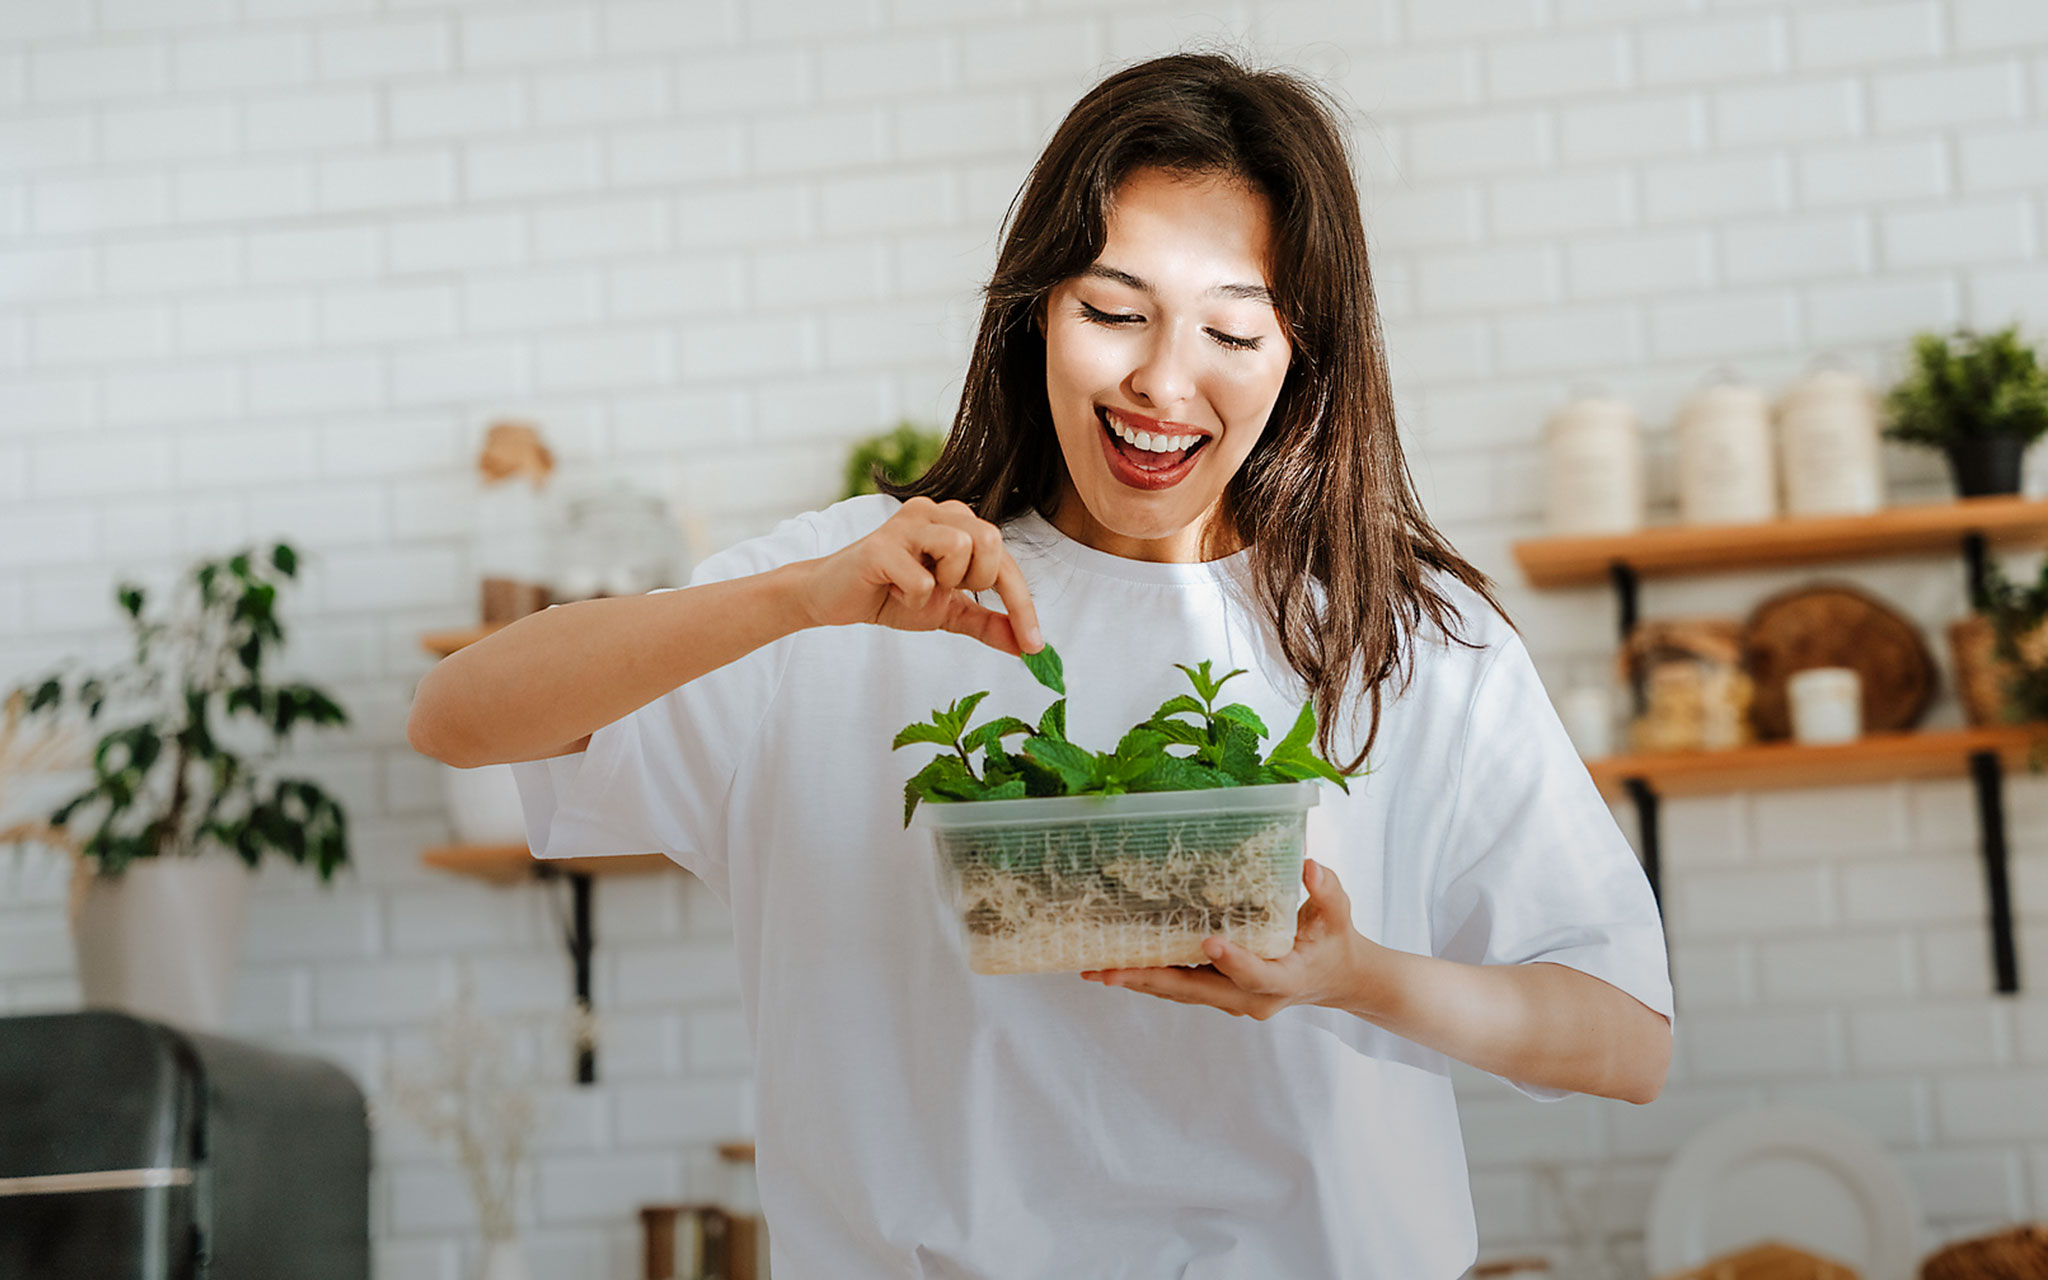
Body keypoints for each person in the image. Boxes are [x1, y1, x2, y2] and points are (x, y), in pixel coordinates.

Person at [408, 52, 1672, 1279]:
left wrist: (1353, 976)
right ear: (1034, 313)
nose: (1160, 382)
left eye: (1231, 333)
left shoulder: (1403, 634)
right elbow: (459, 717)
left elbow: (1624, 1037)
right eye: (1111, 312)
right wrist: (801, 597)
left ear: (1301, 358)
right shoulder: (866, 583)